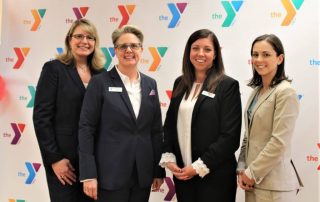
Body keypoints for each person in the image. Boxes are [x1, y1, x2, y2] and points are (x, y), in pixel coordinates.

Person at [78, 24, 165, 202]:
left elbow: (156, 131)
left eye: (134, 46)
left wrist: (158, 170)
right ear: (115, 51)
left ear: (141, 50)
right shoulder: (99, 83)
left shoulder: (151, 85)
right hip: (110, 174)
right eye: (122, 46)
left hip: (142, 174)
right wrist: (88, 174)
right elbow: (86, 128)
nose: (129, 50)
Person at [159, 29, 242, 202]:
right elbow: (169, 126)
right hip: (183, 176)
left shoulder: (227, 85)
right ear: (188, 51)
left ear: (216, 54)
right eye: (195, 48)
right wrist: (170, 159)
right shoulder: (180, 83)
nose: (200, 54)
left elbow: (230, 137)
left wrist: (198, 166)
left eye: (207, 49)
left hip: (215, 177)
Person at [33, 19, 106, 202]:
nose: (84, 41)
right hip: (65, 164)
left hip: (95, 162)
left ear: (95, 43)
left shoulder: (102, 74)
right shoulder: (54, 69)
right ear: (69, 40)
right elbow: (42, 118)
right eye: (79, 36)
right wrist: (55, 159)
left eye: (90, 37)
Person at [237, 34, 303, 202]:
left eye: (266, 54)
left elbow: (279, 142)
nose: (259, 59)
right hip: (252, 182)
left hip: (274, 185)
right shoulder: (256, 91)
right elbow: (248, 136)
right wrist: (242, 168)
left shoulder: (285, 92)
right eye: (255, 54)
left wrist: (251, 173)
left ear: (280, 59)